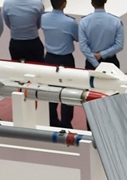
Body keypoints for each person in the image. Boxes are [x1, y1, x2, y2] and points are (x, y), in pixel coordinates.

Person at [41, 0, 77, 128]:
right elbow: (77, 37)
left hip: (49, 58)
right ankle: (66, 123)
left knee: (50, 90)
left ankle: (51, 120)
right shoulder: (70, 22)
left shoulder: (44, 18)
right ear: (65, 3)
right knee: (68, 91)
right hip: (66, 59)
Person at [78, 0, 123, 69]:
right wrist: (102, 54)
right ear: (105, 1)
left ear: (92, 3)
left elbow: (83, 46)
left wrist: (95, 64)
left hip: (91, 62)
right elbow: (119, 45)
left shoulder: (84, 22)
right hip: (111, 62)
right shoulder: (116, 21)